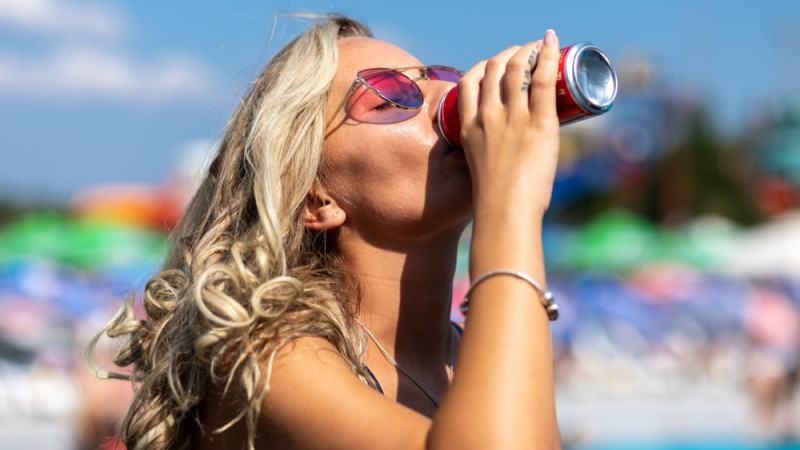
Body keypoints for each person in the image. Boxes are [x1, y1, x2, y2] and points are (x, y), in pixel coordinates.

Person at [89, 13, 563, 449]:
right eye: (390, 99)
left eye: (446, 81)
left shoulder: (471, 357)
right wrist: (512, 200)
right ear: (317, 197)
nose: (450, 102)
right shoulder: (265, 359)